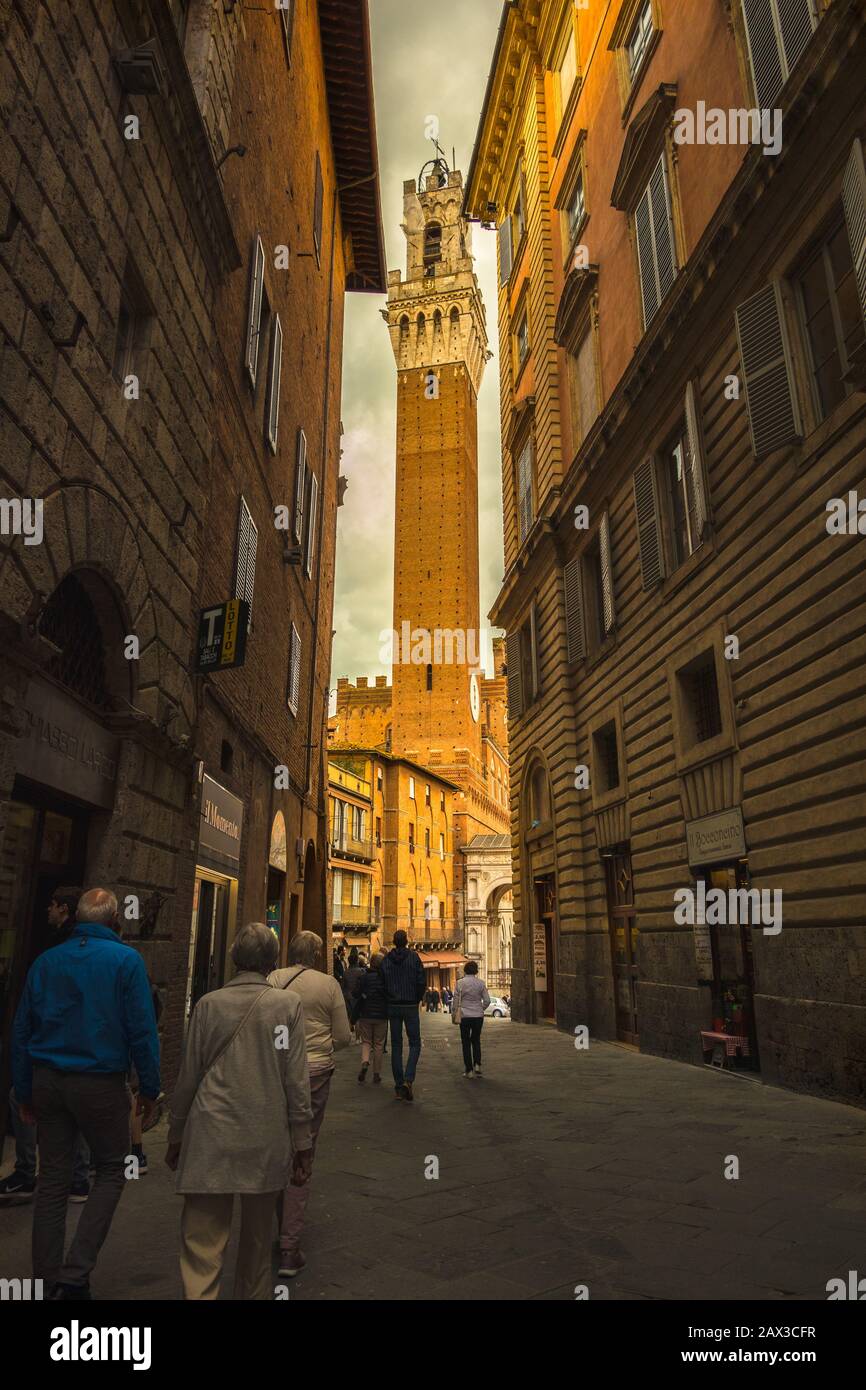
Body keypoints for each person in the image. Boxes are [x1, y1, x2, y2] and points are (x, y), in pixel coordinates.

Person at [12, 887, 160, 1300]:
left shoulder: (46, 961)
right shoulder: (126, 961)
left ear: (76, 919)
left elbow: (22, 1029)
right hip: (99, 1083)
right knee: (113, 1169)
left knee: (54, 1180)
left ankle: (44, 1279)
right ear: (115, 921)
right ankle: (75, 1276)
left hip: (48, 1081)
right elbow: (142, 1029)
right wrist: (149, 1087)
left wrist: (23, 1090)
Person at [167, 923, 313, 1300]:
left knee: (201, 1242)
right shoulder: (286, 1005)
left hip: (209, 1133)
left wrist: (176, 1133)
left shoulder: (208, 1005)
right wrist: (302, 1140)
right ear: (271, 962)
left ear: (234, 959)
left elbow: (187, 1079)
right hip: (263, 1134)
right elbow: (296, 1081)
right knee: (258, 1242)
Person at [0, 887, 90, 1205]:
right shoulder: (89, 947)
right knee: (73, 1111)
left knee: (21, 1097)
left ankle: (28, 1173)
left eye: (51, 905)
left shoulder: (56, 952)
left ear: (64, 909)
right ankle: (77, 1180)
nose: (47, 911)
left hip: (55, 1044)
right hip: (80, 1048)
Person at [269, 930, 351, 1279]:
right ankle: (289, 1246)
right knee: (304, 1149)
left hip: (275, 1071)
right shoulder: (328, 984)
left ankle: (275, 1226)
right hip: (315, 1073)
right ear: (317, 955)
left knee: (275, 1148)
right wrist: (323, 1046)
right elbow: (344, 1037)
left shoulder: (273, 979)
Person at [380, 929, 426, 1102]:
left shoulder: (386, 960)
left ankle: (399, 1087)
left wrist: (388, 998)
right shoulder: (414, 958)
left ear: (393, 941)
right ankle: (408, 1079)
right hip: (409, 1005)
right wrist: (417, 997)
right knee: (415, 1043)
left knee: (396, 1046)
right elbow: (421, 980)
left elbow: (381, 983)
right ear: (406, 941)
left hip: (393, 1005)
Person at [355, 952, 388, 1085]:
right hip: (381, 1015)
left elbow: (356, 993)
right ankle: (376, 1074)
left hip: (366, 1014)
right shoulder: (385, 979)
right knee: (379, 1044)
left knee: (366, 1042)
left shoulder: (364, 977)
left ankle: (364, 1062)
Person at [453, 961, 490, 1078]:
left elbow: (455, 1001)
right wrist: (481, 1008)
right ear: (476, 971)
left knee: (465, 1042)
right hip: (478, 1016)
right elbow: (487, 1000)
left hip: (464, 1016)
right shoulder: (481, 983)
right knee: (476, 1040)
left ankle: (469, 1070)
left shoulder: (459, 983)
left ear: (465, 970)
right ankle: (478, 1064)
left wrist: (454, 1014)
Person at [342, 947, 367, 1044]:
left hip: (348, 997)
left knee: (349, 1017)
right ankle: (357, 1039)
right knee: (358, 1018)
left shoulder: (345, 972)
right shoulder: (361, 972)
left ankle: (348, 1037)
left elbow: (342, 986)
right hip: (357, 997)